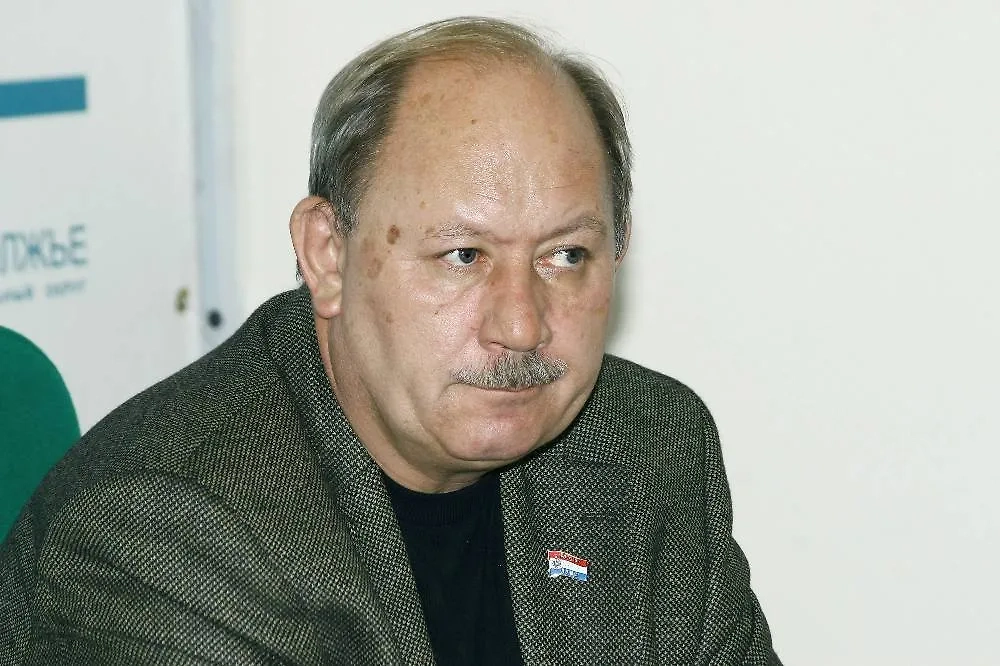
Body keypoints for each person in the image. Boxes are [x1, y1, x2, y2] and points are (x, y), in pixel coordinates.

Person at [0, 16, 780, 666]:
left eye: (566, 255)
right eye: (464, 256)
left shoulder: (649, 446)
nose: (520, 325)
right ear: (327, 255)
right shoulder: (165, 532)